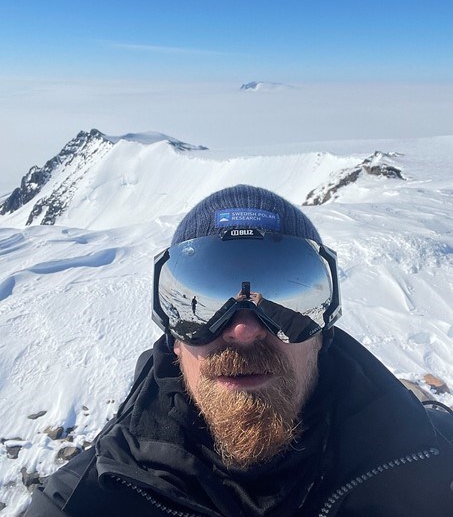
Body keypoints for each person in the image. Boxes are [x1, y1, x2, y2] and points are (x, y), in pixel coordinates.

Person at [25, 185, 453, 516]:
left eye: (292, 306)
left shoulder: (437, 466)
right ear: (173, 338)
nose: (244, 330)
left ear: (323, 331)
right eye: (205, 306)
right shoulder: (82, 502)